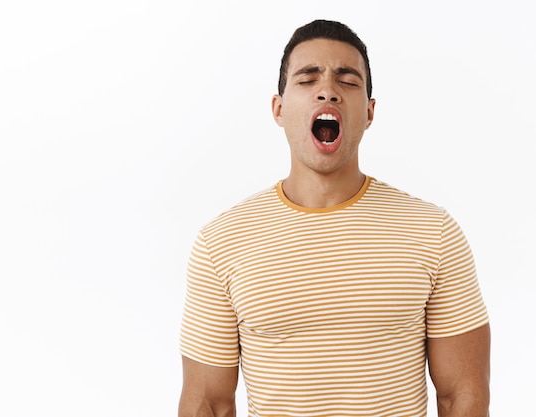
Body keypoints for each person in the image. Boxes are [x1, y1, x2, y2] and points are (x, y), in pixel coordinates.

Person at [178, 19, 490, 417]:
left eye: (347, 80)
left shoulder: (434, 232)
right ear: (279, 108)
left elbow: (462, 393)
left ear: (370, 111)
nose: (328, 90)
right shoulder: (219, 244)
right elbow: (208, 403)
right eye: (308, 79)